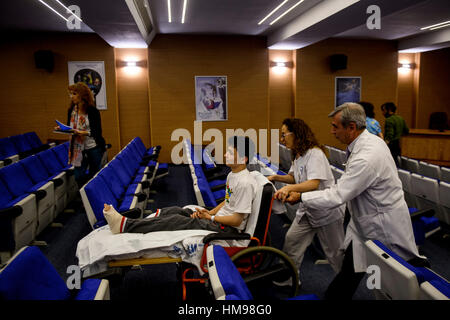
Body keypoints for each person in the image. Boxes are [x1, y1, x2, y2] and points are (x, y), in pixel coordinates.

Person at [282, 103, 424, 300]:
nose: (331, 132)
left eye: (335, 126)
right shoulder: (366, 143)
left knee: (402, 273)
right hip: (364, 223)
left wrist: (301, 197)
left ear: (351, 128)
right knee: (353, 273)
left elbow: (338, 195)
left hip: (383, 225)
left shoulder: (367, 156)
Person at [103, 136, 257, 235]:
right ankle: (145, 223)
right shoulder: (232, 175)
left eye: (230, 153)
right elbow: (228, 201)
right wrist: (208, 212)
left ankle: (126, 226)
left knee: (179, 221)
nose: (225, 155)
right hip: (219, 220)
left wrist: (211, 217)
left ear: (243, 159)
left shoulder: (245, 183)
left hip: (227, 230)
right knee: (178, 211)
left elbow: (237, 221)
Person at [268, 118, 345, 287]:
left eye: (284, 135)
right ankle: (291, 277)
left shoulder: (315, 153)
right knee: (292, 240)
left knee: (335, 255)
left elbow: (313, 183)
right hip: (308, 209)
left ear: (296, 134)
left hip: (326, 211)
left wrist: (289, 189)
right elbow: (294, 177)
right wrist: (275, 177)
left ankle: (347, 286)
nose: (281, 139)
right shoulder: (298, 154)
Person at [57, 82, 106, 187]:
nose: (71, 97)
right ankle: (84, 196)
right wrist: (62, 128)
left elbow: (96, 132)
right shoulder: (72, 110)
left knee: (95, 175)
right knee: (78, 176)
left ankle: (91, 198)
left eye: (74, 94)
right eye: (70, 94)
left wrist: (81, 132)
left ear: (82, 95)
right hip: (77, 147)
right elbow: (70, 127)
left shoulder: (92, 111)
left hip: (93, 147)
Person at [381, 102, 409, 166]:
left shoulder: (389, 120)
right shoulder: (400, 118)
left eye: (383, 110)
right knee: (397, 162)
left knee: (391, 163)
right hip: (398, 144)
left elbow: (389, 135)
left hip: (391, 145)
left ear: (389, 110)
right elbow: (406, 131)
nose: (382, 113)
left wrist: (384, 145)